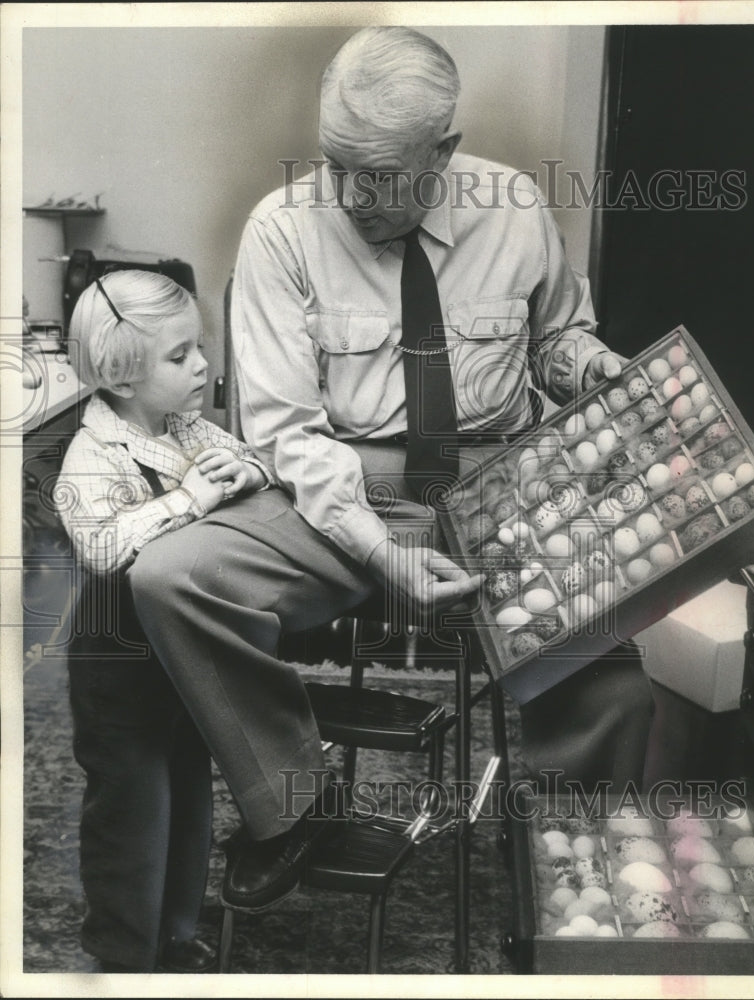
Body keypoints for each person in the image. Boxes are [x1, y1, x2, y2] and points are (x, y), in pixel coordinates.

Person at [127, 26, 654, 916]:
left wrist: (586, 367)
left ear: (442, 151)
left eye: (379, 173)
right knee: (169, 577)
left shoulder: (516, 207)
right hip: (336, 490)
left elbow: (558, 335)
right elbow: (288, 433)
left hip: (499, 485)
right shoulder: (280, 232)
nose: (352, 194)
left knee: (613, 679)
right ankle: (293, 804)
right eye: (337, 165)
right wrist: (382, 551)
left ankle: (579, 890)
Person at [56, 269, 270, 973]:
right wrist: (190, 500)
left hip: (182, 651)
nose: (203, 364)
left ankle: (178, 933)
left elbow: (241, 456)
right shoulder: (93, 454)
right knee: (130, 806)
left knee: (186, 788)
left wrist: (244, 473)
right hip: (118, 661)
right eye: (180, 356)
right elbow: (101, 547)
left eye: (199, 347)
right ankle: (122, 952)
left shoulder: (183, 425)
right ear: (121, 376)